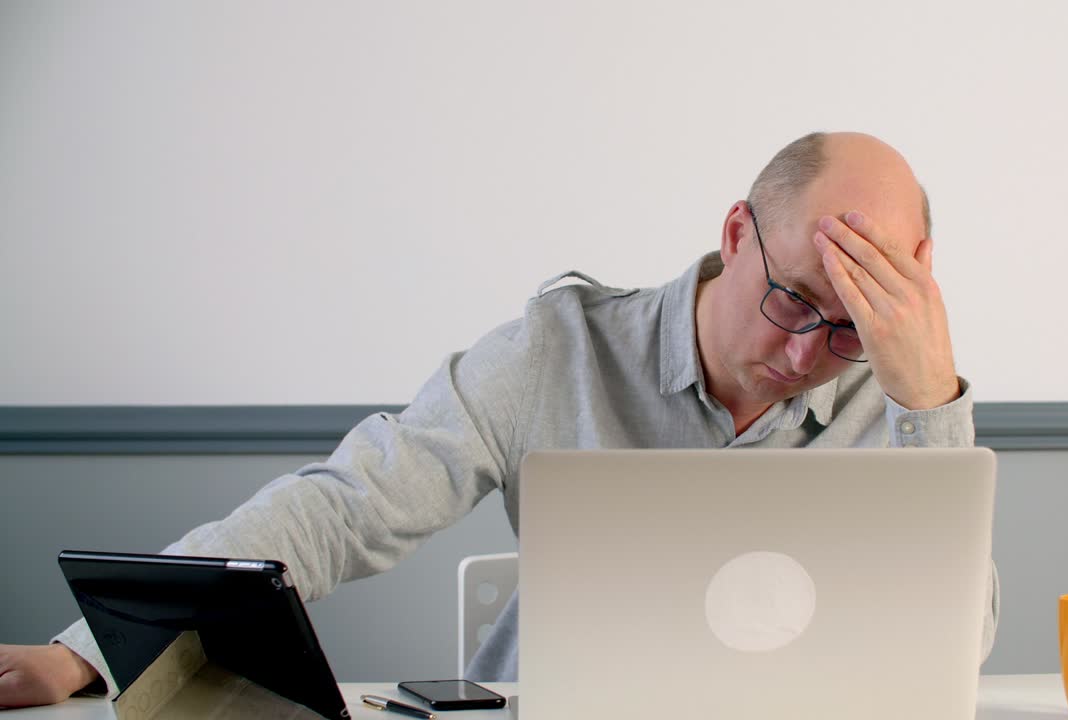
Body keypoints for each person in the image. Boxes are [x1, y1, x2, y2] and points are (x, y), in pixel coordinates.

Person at [0, 131, 998, 707]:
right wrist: (86, 647)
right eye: (791, 300)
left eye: (848, 328)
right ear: (736, 232)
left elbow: (957, 644)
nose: (799, 354)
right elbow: (346, 507)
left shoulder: (898, 391)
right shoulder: (559, 346)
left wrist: (928, 402)